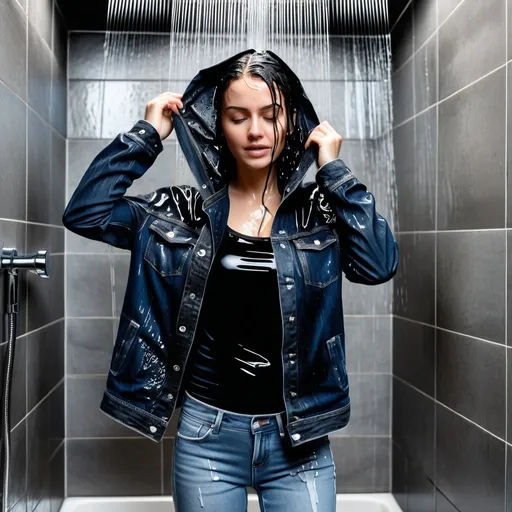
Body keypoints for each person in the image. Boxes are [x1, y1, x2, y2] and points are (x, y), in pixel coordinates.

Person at [63, 49, 399, 511]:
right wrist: (146, 134)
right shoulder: (180, 211)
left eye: (270, 115)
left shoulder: (319, 211)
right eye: (238, 117)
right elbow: (86, 211)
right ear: (218, 125)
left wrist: (334, 172)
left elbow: (378, 264)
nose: (256, 131)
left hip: (298, 439)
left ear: (292, 121)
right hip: (207, 437)